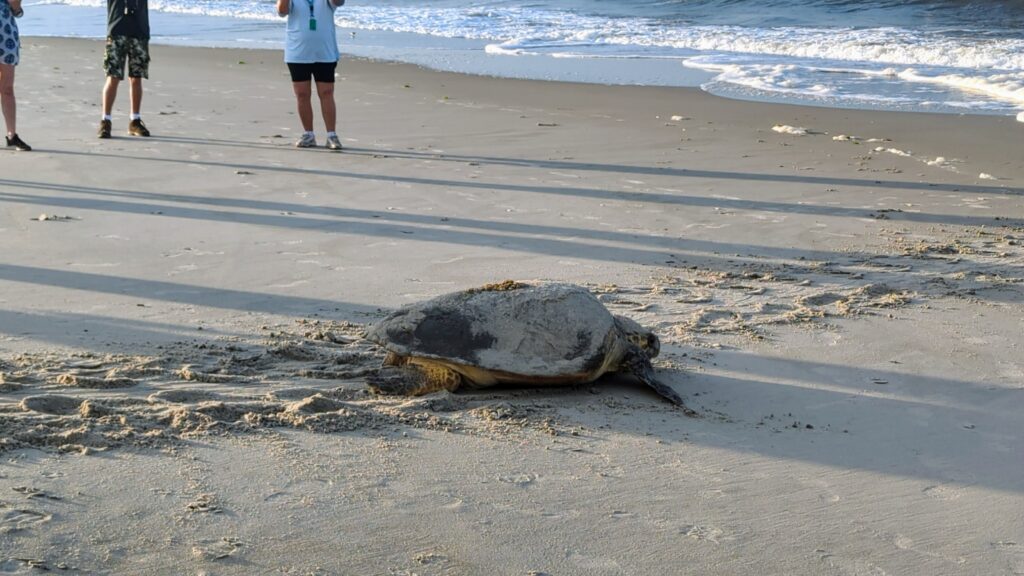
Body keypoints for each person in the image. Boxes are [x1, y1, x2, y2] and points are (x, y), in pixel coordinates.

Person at [277, 0, 344, 150]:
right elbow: (282, 11)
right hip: (297, 52)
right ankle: (308, 134)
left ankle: (332, 135)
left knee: (326, 93)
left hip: (325, 51)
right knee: (302, 94)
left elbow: (338, 2)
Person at [98, 0, 151, 139]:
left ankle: (135, 120)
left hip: (139, 30)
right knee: (113, 77)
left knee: (136, 77)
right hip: (117, 30)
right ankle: (106, 121)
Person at [1, 0, 30, 151]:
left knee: (7, 88)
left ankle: (12, 135)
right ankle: (12, 135)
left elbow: (16, 7)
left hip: (6, 33)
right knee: (7, 89)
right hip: (6, 32)